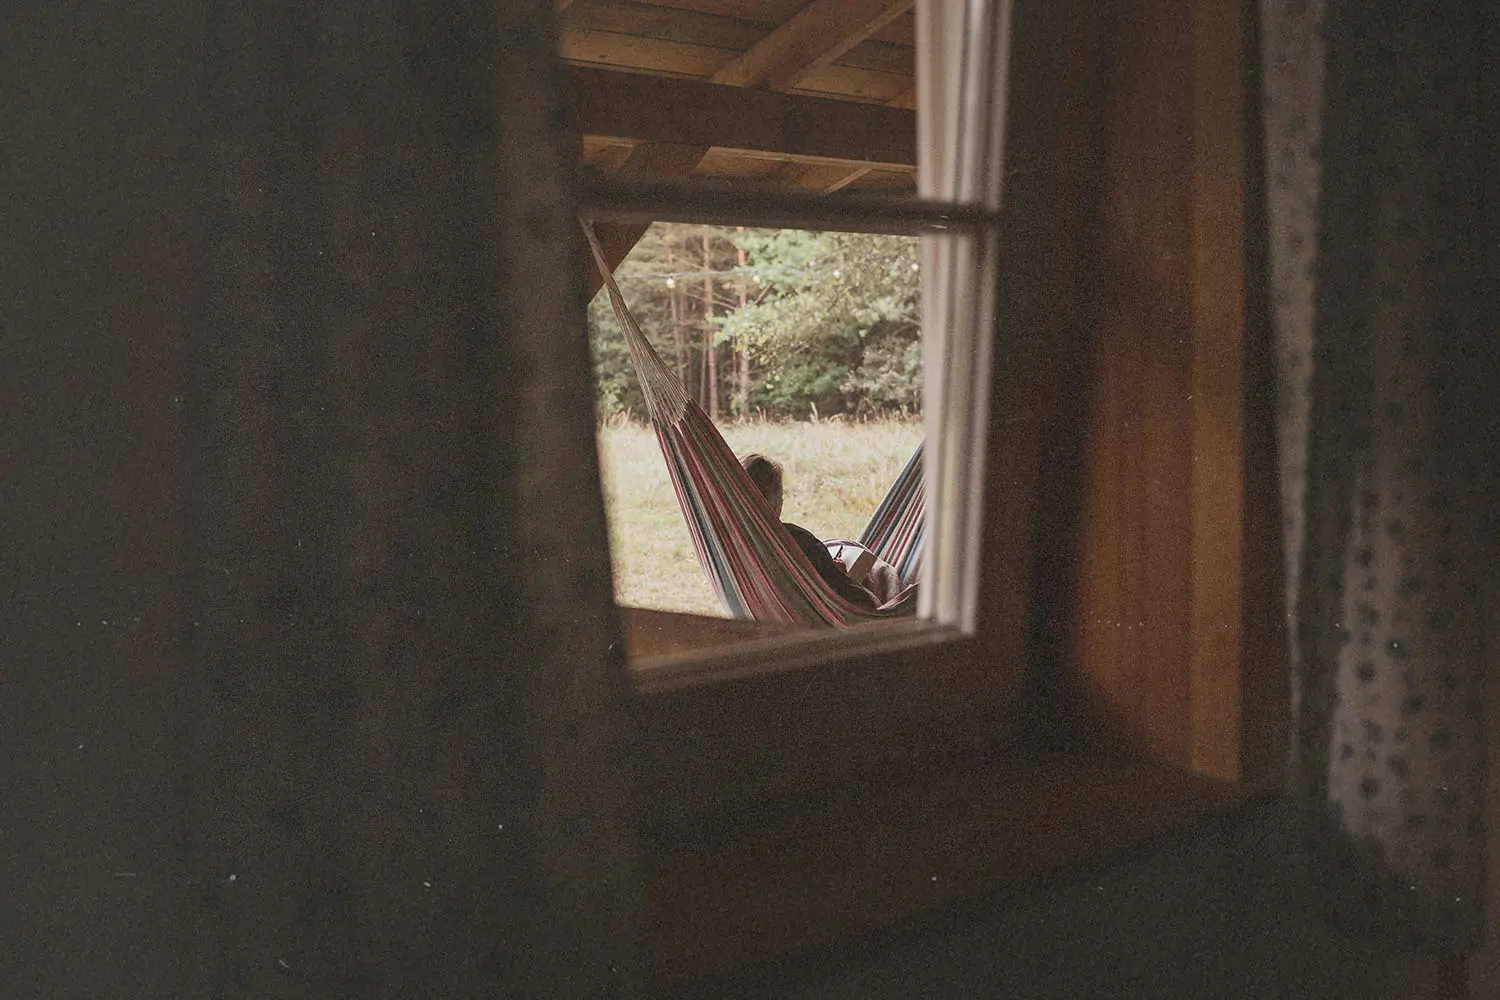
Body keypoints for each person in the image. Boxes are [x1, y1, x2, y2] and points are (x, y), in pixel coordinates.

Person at [739, 453, 894, 611]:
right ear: (771, 498)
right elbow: (848, 595)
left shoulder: (729, 544)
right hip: (835, 617)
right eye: (780, 494)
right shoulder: (793, 539)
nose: (782, 500)